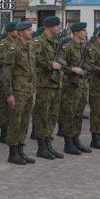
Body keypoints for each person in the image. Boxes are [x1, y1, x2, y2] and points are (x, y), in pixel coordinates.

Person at [3, 22, 37, 165]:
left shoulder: (30, 46)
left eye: (30, 29)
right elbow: (7, 73)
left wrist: (34, 90)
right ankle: (13, 153)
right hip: (17, 91)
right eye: (28, 30)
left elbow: (32, 71)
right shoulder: (13, 48)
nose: (31, 32)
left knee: (24, 121)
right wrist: (9, 94)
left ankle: (21, 150)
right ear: (21, 32)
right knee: (15, 122)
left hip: (28, 90)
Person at [31, 16, 64, 160]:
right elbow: (34, 58)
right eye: (57, 25)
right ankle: (41, 147)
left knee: (52, 116)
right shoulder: (39, 41)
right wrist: (49, 64)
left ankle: (48, 144)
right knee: (42, 116)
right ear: (50, 26)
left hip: (55, 84)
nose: (59, 28)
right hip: (43, 84)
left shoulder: (55, 42)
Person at [57, 22, 91, 154]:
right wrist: (72, 69)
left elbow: (88, 64)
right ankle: (68, 142)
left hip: (82, 85)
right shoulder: (67, 47)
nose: (86, 33)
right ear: (76, 33)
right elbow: (60, 63)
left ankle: (76, 139)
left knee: (78, 114)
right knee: (69, 114)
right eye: (83, 31)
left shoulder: (83, 47)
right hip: (71, 86)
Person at [0, 22, 18, 144]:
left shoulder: (17, 43)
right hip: (3, 78)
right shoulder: (4, 44)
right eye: (15, 30)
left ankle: (11, 131)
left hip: (15, 79)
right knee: (4, 107)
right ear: (10, 31)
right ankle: (3, 133)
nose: (17, 32)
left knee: (13, 108)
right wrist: (10, 59)